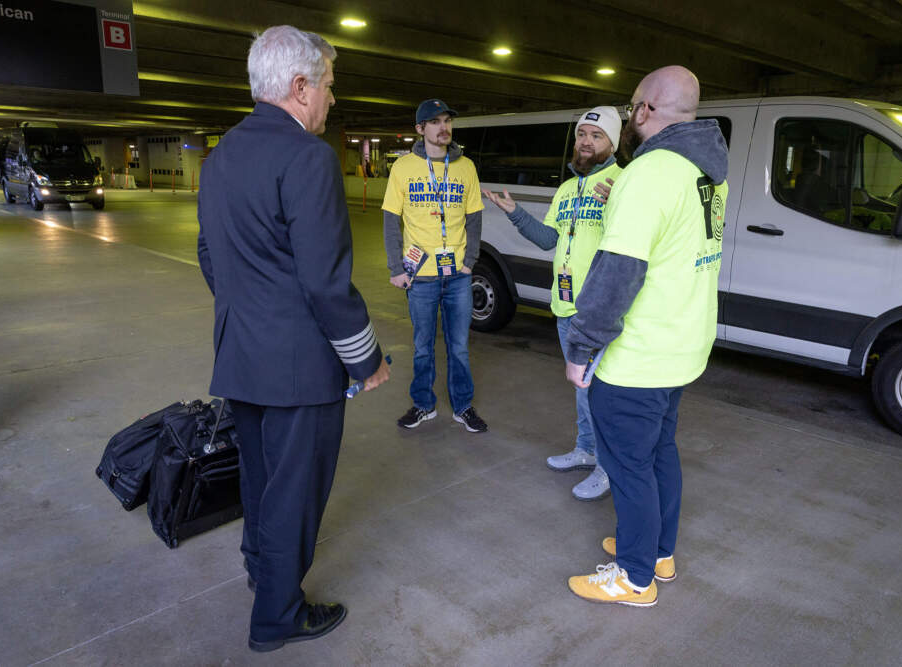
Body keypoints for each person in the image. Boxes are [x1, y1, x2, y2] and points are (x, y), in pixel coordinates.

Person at [196, 26, 390, 651]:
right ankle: (278, 616)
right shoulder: (307, 158)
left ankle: (262, 571)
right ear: (300, 87)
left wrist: (250, 312)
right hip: (299, 368)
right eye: (329, 87)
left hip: (241, 356)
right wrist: (366, 362)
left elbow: (210, 255)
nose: (333, 101)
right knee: (295, 494)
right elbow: (326, 283)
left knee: (260, 480)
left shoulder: (221, 153)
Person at [563, 66, 729, 607]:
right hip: (682, 346)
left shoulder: (650, 173)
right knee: (660, 453)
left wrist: (582, 347)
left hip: (639, 355)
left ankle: (634, 577)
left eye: (632, 105)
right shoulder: (706, 172)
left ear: (643, 110)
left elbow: (617, 274)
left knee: (628, 467)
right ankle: (658, 550)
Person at [482, 106, 622, 501]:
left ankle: (607, 467)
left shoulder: (625, 183)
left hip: (598, 310)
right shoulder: (567, 189)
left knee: (602, 394)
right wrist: (514, 213)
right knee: (582, 390)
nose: (586, 142)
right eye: (582, 134)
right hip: (565, 307)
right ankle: (586, 449)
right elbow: (549, 240)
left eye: (596, 135)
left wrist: (619, 204)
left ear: (612, 142)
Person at [383, 99, 488, 433]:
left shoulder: (466, 167)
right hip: (420, 276)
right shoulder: (403, 168)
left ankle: (463, 407)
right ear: (420, 129)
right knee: (422, 348)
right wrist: (395, 268)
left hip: (457, 275)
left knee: (459, 348)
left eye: (447, 121)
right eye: (435, 122)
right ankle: (423, 405)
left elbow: (474, 217)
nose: (444, 128)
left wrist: (470, 261)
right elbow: (390, 220)